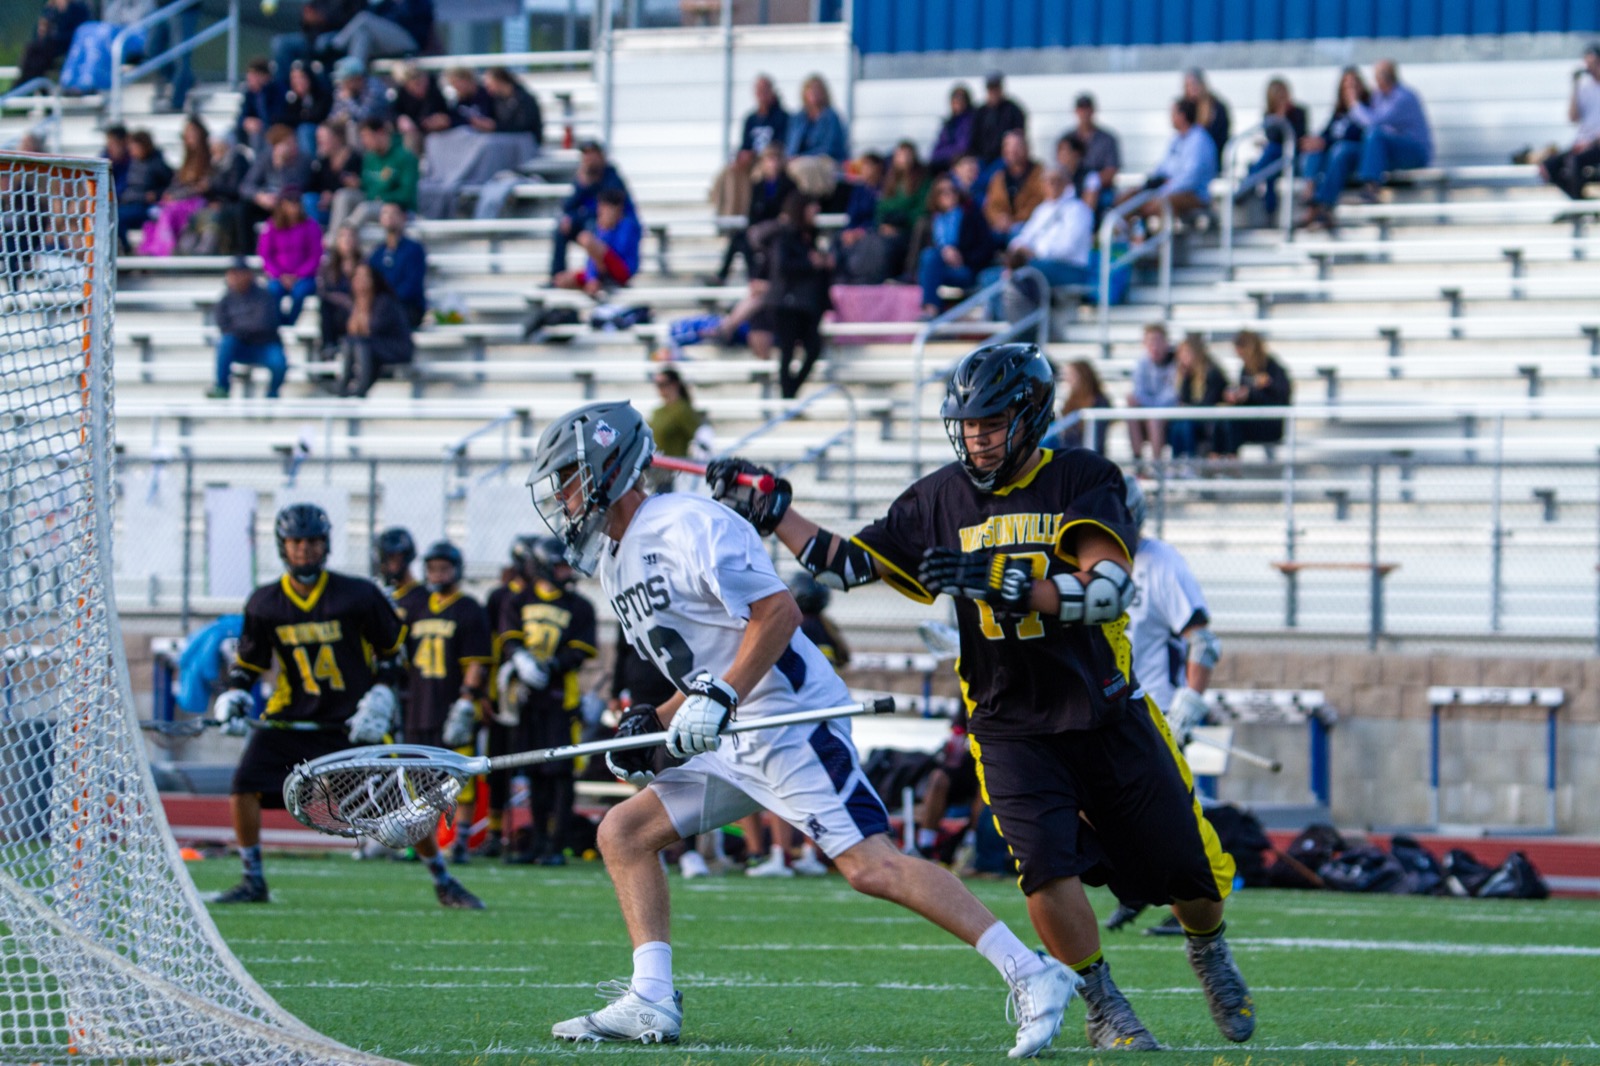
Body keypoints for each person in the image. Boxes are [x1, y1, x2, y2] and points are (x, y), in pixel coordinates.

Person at [705, 341, 1256, 1052]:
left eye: (990, 423)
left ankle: (1208, 949)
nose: (975, 438)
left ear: (1030, 416)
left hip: (1104, 708)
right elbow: (845, 567)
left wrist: (1018, 585)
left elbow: (1111, 588)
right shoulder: (940, 497)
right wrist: (775, 508)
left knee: (1188, 869)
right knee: (1043, 867)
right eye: (965, 425)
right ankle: (1101, 999)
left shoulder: (1083, 478)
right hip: (1008, 722)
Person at [527, 400, 1076, 1056]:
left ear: (608, 470)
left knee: (872, 866)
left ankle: (1033, 973)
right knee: (624, 831)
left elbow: (776, 615)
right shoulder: (616, 559)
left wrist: (720, 699)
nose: (561, 495)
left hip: (787, 721)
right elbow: (707, 659)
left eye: (569, 476)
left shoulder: (686, 524)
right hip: (734, 731)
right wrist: (652, 725)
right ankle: (651, 998)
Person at [210, 503, 482, 909]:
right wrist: (234, 694)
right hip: (291, 720)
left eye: (313, 542)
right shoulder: (265, 602)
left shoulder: (357, 594)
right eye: (297, 542)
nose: (305, 550)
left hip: (353, 722)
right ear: (283, 547)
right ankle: (253, 878)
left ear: (327, 546)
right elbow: (250, 663)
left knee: (400, 805)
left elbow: (394, 652)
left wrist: (383, 693)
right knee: (243, 786)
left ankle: (442, 879)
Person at [1102, 476, 1222, 935]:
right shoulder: (1078, 560)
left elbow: (1202, 641)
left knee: (1170, 816)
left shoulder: (1160, 564)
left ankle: (1191, 905)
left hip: (1154, 709)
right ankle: (1135, 889)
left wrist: (1189, 701)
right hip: (1099, 708)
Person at [496, 535, 597, 865]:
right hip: (525, 700)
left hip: (560, 699)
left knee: (560, 774)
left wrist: (552, 664)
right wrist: (521, 660)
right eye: (559, 566)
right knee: (536, 773)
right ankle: (537, 840)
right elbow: (509, 637)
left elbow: (580, 651)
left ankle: (557, 844)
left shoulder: (579, 606)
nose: (566, 572)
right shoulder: (519, 599)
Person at [405, 539, 493, 866]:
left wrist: (467, 698)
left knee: (459, 777)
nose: (437, 573)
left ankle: (461, 840)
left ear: (456, 569)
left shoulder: (468, 607)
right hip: (419, 703)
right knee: (418, 776)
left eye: (443, 567)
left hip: (452, 705)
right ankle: (423, 842)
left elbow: (475, 661)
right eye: (432, 568)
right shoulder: (416, 605)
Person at [1302, 59, 1431, 225]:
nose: (1376, 80)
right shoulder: (1377, 97)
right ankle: (1323, 205)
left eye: (1379, 75)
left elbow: (1373, 122)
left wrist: (1354, 104)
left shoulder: (1402, 97)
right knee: (1342, 150)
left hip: (1412, 151)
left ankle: (1370, 188)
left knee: (1374, 134)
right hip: (1385, 152)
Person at [978, 166, 1094, 321]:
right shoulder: (1042, 210)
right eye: (1047, 181)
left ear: (1066, 183)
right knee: (988, 277)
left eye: (1056, 181)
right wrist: (1018, 248)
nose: (1052, 185)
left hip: (1068, 268)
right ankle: (1007, 320)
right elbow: (1024, 236)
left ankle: (1026, 321)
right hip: (1036, 264)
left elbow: (1067, 247)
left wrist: (1034, 252)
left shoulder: (1078, 210)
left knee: (1024, 271)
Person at [764, 192, 834, 399]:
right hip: (787, 303)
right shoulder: (786, 235)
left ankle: (790, 391)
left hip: (806, 304)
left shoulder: (810, 236)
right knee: (787, 351)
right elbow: (782, 266)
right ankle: (788, 394)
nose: (816, 212)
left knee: (813, 347)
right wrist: (811, 263)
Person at [1118, 98, 1217, 223]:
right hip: (1168, 190)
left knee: (1160, 204)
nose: (1170, 117)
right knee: (1128, 197)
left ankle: (1160, 241)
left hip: (1194, 195)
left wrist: (1164, 190)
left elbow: (1191, 177)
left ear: (1182, 116)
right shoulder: (1175, 140)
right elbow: (1162, 168)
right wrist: (1147, 184)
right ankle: (1125, 237)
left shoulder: (1199, 140)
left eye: (1173, 114)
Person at [1296, 67, 1370, 230]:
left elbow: (1358, 134)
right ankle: (1310, 191)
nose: (1349, 90)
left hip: (1356, 155)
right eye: (1346, 86)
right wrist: (1315, 141)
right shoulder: (1339, 113)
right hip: (1335, 154)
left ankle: (1321, 206)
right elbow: (1326, 133)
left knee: (1339, 150)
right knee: (1314, 149)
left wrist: (1325, 142)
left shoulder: (1367, 106)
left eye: (1353, 85)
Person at [550, 141, 634, 283]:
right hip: (589, 221)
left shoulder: (612, 178)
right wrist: (583, 185)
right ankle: (556, 276)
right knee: (561, 229)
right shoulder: (583, 178)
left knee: (591, 234)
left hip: (610, 232)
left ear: (601, 156)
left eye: (592, 155)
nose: (588, 159)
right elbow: (568, 206)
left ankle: (595, 276)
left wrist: (578, 216)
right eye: (586, 155)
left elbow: (608, 212)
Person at [916, 174, 996, 318]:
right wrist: (944, 252)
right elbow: (916, 254)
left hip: (965, 270)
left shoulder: (972, 216)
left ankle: (931, 311)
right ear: (935, 196)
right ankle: (932, 310)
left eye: (952, 190)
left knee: (930, 259)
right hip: (936, 271)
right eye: (942, 191)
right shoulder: (928, 222)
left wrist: (961, 257)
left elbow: (987, 248)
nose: (948, 195)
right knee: (930, 256)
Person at [210, 262, 287, 399]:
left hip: (265, 344)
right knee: (225, 343)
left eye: (237, 274)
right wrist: (244, 329)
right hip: (240, 345)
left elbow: (265, 324)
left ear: (248, 275)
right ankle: (222, 387)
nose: (234, 278)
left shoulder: (264, 296)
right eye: (232, 274)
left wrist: (239, 329)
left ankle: (273, 393)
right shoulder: (226, 299)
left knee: (278, 363)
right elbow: (222, 325)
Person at [140, 117, 212, 258]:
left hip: (197, 201)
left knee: (170, 212)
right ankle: (152, 248)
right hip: (181, 199)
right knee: (154, 212)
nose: (189, 137)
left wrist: (176, 196)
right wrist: (169, 194)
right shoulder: (186, 160)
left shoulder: (208, 158)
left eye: (192, 132)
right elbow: (177, 183)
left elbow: (201, 186)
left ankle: (164, 250)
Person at [1213, 329, 1292, 458]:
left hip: (1268, 424)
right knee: (1223, 419)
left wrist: (1252, 394)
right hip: (1250, 420)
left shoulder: (1273, 368)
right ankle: (1217, 460)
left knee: (1232, 422)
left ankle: (1231, 464)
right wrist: (1236, 396)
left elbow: (1281, 398)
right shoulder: (1245, 369)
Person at [339, 262, 414, 397]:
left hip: (396, 347)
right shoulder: (355, 303)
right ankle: (344, 385)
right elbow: (352, 332)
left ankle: (361, 388)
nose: (360, 280)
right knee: (350, 342)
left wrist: (362, 306)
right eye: (357, 276)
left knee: (361, 345)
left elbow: (370, 330)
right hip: (375, 347)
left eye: (364, 276)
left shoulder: (384, 302)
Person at [238, 125, 311, 257]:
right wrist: (259, 196)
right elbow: (245, 186)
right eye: (287, 143)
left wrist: (281, 167)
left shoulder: (302, 160)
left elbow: (296, 188)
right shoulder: (265, 158)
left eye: (293, 142)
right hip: (268, 202)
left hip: (290, 203)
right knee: (243, 209)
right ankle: (247, 253)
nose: (292, 146)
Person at [1239, 78, 1308, 218]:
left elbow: (1296, 137)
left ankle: (1247, 185)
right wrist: (1279, 116)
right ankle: (1269, 210)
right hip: (1276, 159)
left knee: (1271, 152)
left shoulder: (1299, 112)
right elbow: (1272, 136)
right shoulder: (1269, 115)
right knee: (1270, 170)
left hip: (1292, 156)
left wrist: (1283, 117)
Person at [555, 187, 640, 295]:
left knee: (586, 239)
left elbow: (617, 254)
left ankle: (596, 282)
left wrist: (607, 230)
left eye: (604, 207)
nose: (601, 211)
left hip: (621, 271)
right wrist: (592, 276)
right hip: (602, 271)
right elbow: (593, 258)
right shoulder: (600, 226)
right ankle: (594, 282)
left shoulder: (628, 226)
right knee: (561, 280)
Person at [1541, 44, 1600, 199]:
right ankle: (1582, 203)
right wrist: (1574, 86)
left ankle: (1581, 206)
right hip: (1584, 143)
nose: (1589, 68)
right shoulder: (1584, 86)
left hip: (1595, 144)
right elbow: (1573, 118)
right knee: (1549, 166)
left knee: (1574, 162)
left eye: (1593, 64)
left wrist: (1591, 143)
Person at [257, 190, 323, 326]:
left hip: (304, 276)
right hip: (278, 276)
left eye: (297, 204)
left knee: (300, 292)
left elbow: (315, 256)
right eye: (290, 204)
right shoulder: (272, 226)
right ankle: (278, 322)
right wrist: (280, 274)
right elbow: (266, 255)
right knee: (272, 291)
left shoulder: (310, 226)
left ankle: (290, 322)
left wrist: (298, 275)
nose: (295, 208)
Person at [1169, 333, 1227, 463]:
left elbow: (1209, 403)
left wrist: (1188, 408)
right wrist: (1184, 378)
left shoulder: (1212, 373)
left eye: (1187, 353)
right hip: (1195, 418)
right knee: (1177, 424)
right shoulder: (1188, 375)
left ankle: (1190, 461)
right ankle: (1176, 462)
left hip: (1211, 422)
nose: (1182, 357)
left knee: (1185, 424)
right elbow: (1183, 399)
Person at [369, 201, 427, 327]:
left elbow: (412, 285)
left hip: (408, 307)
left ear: (404, 217)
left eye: (394, 213)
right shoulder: (377, 252)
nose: (389, 216)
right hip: (382, 308)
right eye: (385, 213)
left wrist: (387, 301)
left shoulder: (414, 249)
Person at [1126, 323, 1177, 467]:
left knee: (1154, 418)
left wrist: (1152, 406)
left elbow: (1172, 394)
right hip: (1150, 410)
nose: (1154, 345)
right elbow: (1138, 390)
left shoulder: (1176, 362)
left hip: (1169, 412)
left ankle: (1156, 465)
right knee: (1131, 404)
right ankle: (1138, 461)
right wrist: (1149, 405)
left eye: (1158, 340)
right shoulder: (1142, 363)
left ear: (1166, 342)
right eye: (1150, 341)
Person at [984, 130, 1048, 241]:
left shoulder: (1040, 174)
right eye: (1008, 146)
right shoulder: (999, 177)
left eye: (1017, 146)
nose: (1012, 151)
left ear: (1027, 148)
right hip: (1001, 228)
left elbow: (1040, 203)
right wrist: (999, 219)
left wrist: (1013, 220)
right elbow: (991, 206)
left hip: (1029, 227)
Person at [327, 0, 432, 66]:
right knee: (362, 34)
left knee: (364, 19)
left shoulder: (418, 2)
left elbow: (418, 24)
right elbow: (373, 15)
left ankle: (335, 46)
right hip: (388, 45)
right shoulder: (386, 4)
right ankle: (353, 72)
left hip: (411, 41)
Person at [119, 130, 173, 252]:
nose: (132, 150)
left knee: (118, 217)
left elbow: (170, 185)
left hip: (145, 206)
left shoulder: (157, 164)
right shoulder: (130, 163)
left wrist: (156, 194)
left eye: (135, 147)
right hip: (130, 203)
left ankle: (127, 251)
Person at [1042, 359, 1110, 454]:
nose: (1067, 379)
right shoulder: (1069, 400)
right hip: (1068, 451)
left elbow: (1096, 437)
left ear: (1082, 376)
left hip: (1083, 453)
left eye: (1071, 375)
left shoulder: (1099, 402)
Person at [316, 222, 363, 358]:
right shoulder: (329, 267)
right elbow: (324, 292)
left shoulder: (364, 265)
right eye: (343, 236)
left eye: (350, 236)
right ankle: (329, 347)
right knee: (326, 306)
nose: (347, 240)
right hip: (337, 314)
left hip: (359, 310)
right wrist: (345, 301)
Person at [20, 0, 91, 87]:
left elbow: (78, 34)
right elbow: (38, 33)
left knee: (35, 52)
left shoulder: (78, 9)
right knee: (34, 52)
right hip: (49, 49)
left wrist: (54, 36)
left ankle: (23, 86)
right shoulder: (51, 9)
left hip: (68, 48)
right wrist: (42, 31)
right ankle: (27, 86)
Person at [1068, 93, 1120, 213]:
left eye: (1087, 109)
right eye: (1081, 109)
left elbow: (1112, 170)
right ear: (1076, 111)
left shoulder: (1107, 139)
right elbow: (1061, 167)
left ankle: (1086, 225)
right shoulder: (1067, 139)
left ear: (1093, 111)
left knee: (1093, 188)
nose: (1084, 113)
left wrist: (1094, 180)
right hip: (1072, 186)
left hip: (1102, 190)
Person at [970, 71, 1027, 170]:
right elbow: (974, 137)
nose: (993, 92)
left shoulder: (1013, 110)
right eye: (991, 89)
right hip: (981, 158)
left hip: (1004, 158)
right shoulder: (980, 112)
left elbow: (1019, 136)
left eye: (996, 88)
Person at [392, 63, 452, 156]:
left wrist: (441, 120)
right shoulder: (402, 93)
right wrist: (400, 119)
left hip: (437, 133)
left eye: (422, 81)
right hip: (414, 132)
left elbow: (447, 114)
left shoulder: (435, 90)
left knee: (435, 140)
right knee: (411, 140)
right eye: (416, 84)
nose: (421, 86)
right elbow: (393, 114)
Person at [785, 73, 849, 162]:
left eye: (817, 89)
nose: (814, 92)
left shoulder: (831, 117)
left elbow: (830, 147)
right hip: (797, 160)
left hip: (825, 160)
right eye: (810, 89)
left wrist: (803, 157)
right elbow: (791, 145)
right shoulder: (798, 118)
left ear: (824, 93)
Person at [373, 525, 427, 623]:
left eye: (388, 559)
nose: (383, 566)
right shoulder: (384, 596)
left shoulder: (423, 596)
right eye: (382, 560)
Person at [647, 368, 702, 463]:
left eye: (663, 384)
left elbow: (699, 436)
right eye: (657, 384)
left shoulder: (683, 409)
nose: (659, 387)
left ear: (675, 384)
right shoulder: (658, 411)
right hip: (657, 465)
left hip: (675, 467)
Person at [282, 61, 331, 161]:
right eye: (294, 78)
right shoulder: (292, 99)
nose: (298, 81)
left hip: (317, 131)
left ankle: (309, 166)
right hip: (296, 133)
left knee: (304, 130)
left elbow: (317, 116)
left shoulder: (321, 95)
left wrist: (302, 116)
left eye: (301, 77)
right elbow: (286, 118)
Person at [480, 66, 544, 142]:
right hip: (508, 140)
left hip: (525, 140)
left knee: (489, 144)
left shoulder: (524, 99)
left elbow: (523, 126)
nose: (488, 90)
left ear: (500, 81)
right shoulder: (497, 100)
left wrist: (495, 127)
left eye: (490, 86)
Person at [1182, 68, 1231, 167]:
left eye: (1194, 84)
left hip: (1209, 158)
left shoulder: (1216, 108)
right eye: (1188, 86)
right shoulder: (1185, 108)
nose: (1191, 89)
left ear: (1202, 85)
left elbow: (1220, 137)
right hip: (1188, 159)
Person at [234, 57, 286, 150]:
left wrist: (260, 124)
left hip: (274, 128)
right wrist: (246, 122)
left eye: (253, 76)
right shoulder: (250, 94)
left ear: (264, 76)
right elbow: (242, 115)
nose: (249, 80)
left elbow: (276, 115)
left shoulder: (276, 90)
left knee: (258, 134)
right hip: (257, 130)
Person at [930, 84, 975, 171]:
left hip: (962, 161)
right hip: (947, 160)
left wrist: (945, 153)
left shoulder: (970, 121)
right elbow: (936, 149)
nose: (958, 103)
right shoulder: (949, 123)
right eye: (955, 99)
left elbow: (962, 147)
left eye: (961, 99)